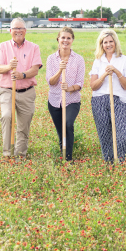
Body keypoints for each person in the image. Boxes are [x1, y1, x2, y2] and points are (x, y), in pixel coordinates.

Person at [0, 18, 42, 159]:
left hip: (27, 91)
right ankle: (7, 153)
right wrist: (9, 67)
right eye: (15, 28)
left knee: (23, 125)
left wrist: (22, 75)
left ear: (25, 31)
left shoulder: (34, 47)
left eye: (21, 28)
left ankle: (20, 155)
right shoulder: (3, 46)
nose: (18, 31)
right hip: (7, 90)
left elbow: (35, 69)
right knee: (6, 116)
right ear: (10, 31)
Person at [89, 29, 126, 163]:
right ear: (101, 44)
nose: (108, 44)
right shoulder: (98, 61)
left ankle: (120, 162)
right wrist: (104, 74)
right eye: (105, 42)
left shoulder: (125, 60)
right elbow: (93, 86)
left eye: (111, 41)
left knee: (123, 136)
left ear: (115, 42)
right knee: (105, 135)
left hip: (118, 100)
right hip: (99, 100)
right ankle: (109, 164)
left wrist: (116, 71)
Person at [46, 27, 85, 161]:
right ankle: (62, 153)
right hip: (54, 100)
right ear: (58, 39)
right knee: (60, 130)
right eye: (63, 37)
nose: (65, 40)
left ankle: (68, 158)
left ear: (72, 40)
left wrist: (69, 88)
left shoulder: (78, 59)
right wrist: (59, 70)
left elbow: (80, 83)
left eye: (68, 38)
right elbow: (51, 82)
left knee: (68, 124)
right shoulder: (51, 59)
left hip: (72, 100)